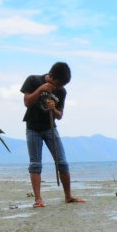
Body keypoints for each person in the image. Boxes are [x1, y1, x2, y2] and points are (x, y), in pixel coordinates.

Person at [21, 62, 83, 206]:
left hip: (50, 128)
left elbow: (60, 115)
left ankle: (68, 196)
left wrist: (53, 110)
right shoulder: (33, 80)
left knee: (62, 162)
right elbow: (27, 102)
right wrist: (41, 89)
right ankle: (38, 199)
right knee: (35, 163)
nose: (60, 87)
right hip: (32, 127)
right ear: (51, 76)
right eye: (59, 83)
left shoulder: (62, 92)